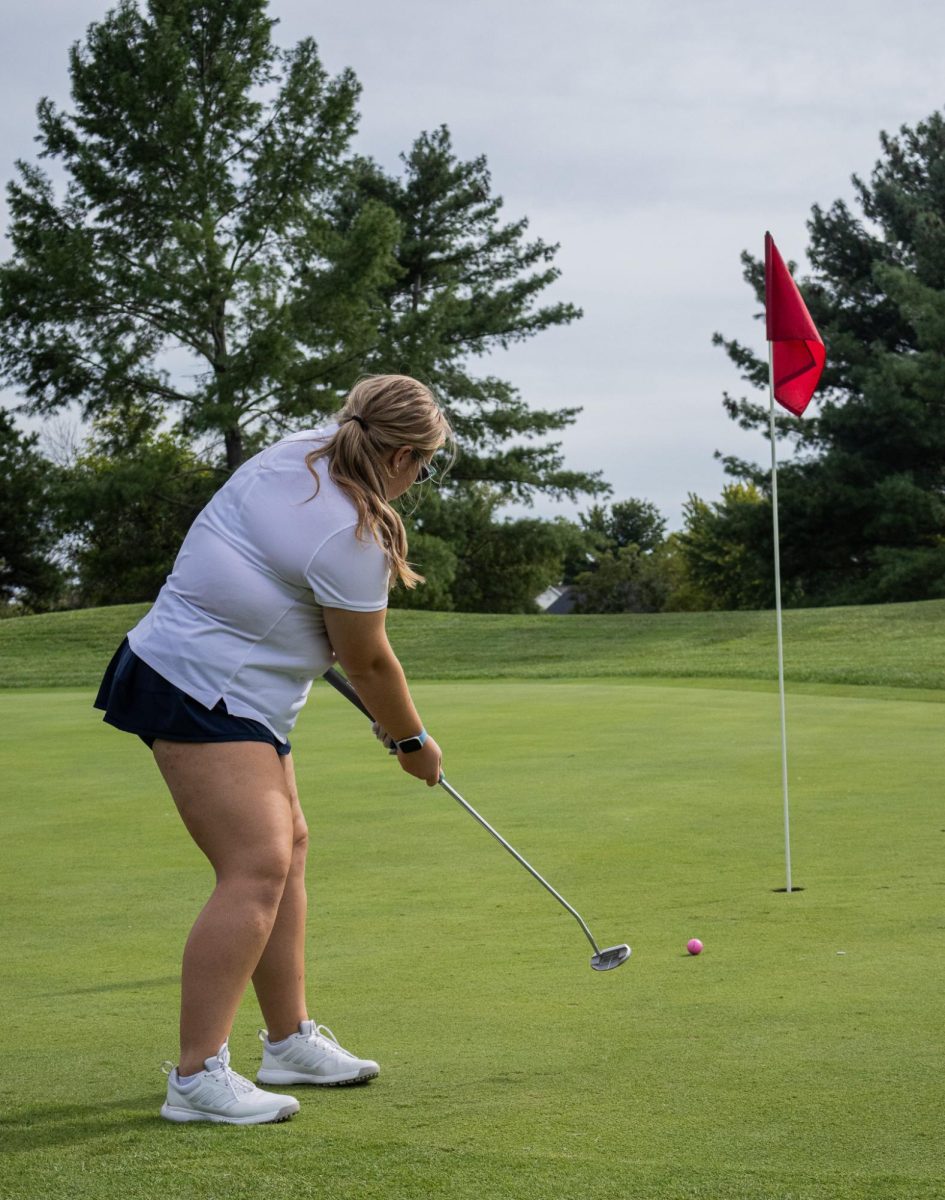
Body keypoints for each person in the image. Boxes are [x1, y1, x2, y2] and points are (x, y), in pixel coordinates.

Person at [94, 374, 452, 1125]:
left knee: (287, 844)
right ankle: (197, 1078)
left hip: (232, 687)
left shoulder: (297, 453)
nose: (421, 479)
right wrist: (412, 741)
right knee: (256, 865)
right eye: (425, 464)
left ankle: (288, 1040)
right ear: (402, 455)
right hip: (197, 684)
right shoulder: (348, 534)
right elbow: (368, 661)